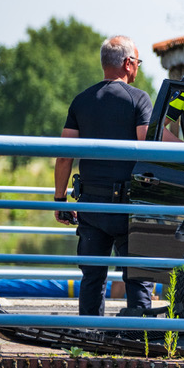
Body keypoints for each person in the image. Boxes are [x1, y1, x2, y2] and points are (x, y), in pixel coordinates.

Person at [53, 36, 155, 317]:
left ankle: (88, 331)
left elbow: (64, 156)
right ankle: (139, 334)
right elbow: (147, 147)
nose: (138, 67)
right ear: (127, 63)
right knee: (137, 276)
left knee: (92, 276)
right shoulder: (139, 99)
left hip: (91, 204)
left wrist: (60, 199)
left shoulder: (81, 100)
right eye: (137, 62)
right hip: (129, 206)